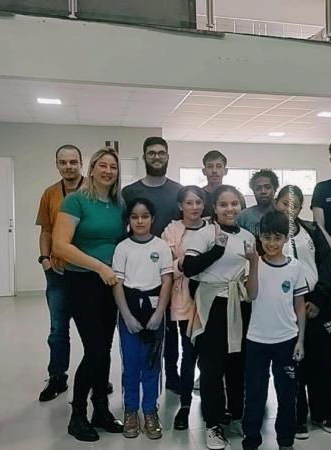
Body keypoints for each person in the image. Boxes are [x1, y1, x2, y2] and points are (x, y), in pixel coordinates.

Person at [53, 147, 127, 442]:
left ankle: (101, 410)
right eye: (103, 165)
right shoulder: (76, 201)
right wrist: (99, 266)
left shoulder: (118, 203)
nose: (108, 171)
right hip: (83, 282)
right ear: (92, 168)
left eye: (114, 167)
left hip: (111, 284)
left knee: (104, 349)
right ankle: (77, 415)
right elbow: (60, 245)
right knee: (94, 350)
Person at [181, 185, 257, 450]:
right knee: (213, 366)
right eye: (223, 204)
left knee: (239, 362)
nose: (230, 209)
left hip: (241, 303)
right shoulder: (204, 233)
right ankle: (213, 423)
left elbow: (251, 270)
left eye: (234, 203)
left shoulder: (248, 235)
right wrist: (216, 249)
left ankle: (236, 413)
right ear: (214, 207)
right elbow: (189, 269)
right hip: (213, 305)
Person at [273, 185, 331, 439]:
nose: (288, 208)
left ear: (300, 208)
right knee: (292, 365)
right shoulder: (269, 234)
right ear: (276, 204)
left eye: (295, 204)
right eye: (284, 203)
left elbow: (326, 265)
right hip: (285, 308)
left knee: (320, 363)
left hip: (314, 305)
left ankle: (323, 413)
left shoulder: (312, 231)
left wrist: (318, 300)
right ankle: (297, 416)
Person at [241, 210, 308, 450]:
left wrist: (300, 340)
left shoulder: (296, 267)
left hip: (287, 340)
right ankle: (251, 440)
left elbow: (299, 306)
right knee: (255, 394)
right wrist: (253, 264)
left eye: (277, 238)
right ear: (260, 236)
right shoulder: (253, 262)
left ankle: (286, 440)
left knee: (287, 394)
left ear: (286, 238)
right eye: (267, 237)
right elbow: (252, 294)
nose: (272, 243)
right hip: (257, 339)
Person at [121, 136, 183, 393]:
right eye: (151, 153)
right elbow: (122, 230)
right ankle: (138, 374)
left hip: (169, 271)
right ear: (144, 156)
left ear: (167, 156)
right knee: (135, 327)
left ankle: (171, 374)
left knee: (170, 326)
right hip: (137, 273)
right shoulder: (129, 192)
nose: (157, 157)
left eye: (161, 153)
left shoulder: (178, 191)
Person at [111, 198, 174, 440]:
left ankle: (149, 410)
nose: (140, 221)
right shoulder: (123, 248)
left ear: (152, 219)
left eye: (145, 216)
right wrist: (126, 316)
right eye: (135, 217)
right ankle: (130, 410)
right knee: (131, 363)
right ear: (128, 220)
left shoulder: (161, 246)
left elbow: (167, 280)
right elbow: (117, 283)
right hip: (129, 308)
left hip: (154, 309)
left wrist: (159, 314)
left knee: (151, 363)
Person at [35, 144, 83, 402]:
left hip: (88, 273)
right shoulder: (50, 193)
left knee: (93, 329)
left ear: (81, 163)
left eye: (73, 162)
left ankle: (96, 374)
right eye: (63, 162)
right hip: (59, 273)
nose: (68, 167)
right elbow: (46, 230)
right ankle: (57, 377)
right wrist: (44, 260)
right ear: (57, 165)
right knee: (58, 329)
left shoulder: (93, 190)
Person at [161, 185, 209, 431]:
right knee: (188, 351)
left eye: (198, 202)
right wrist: (189, 264)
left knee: (210, 353)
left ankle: (213, 403)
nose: (194, 207)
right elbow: (166, 264)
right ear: (181, 206)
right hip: (183, 299)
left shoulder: (213, 227)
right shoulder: (172, 229)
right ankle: (186, 405)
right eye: (189, 203)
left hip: (211, 298)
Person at [237, 168, 278, 236]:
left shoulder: (282, 214)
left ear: (275, 189)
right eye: (258, 188)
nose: (263, 191)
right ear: (253, 191)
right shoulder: (244, 216)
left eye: (267, 187)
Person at [200, 150, 228, 218]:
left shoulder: (236, 196)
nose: (214, 171)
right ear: (204, 171)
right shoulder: (198, 196)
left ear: (225, 171)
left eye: (219, 166)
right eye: (210, 166)